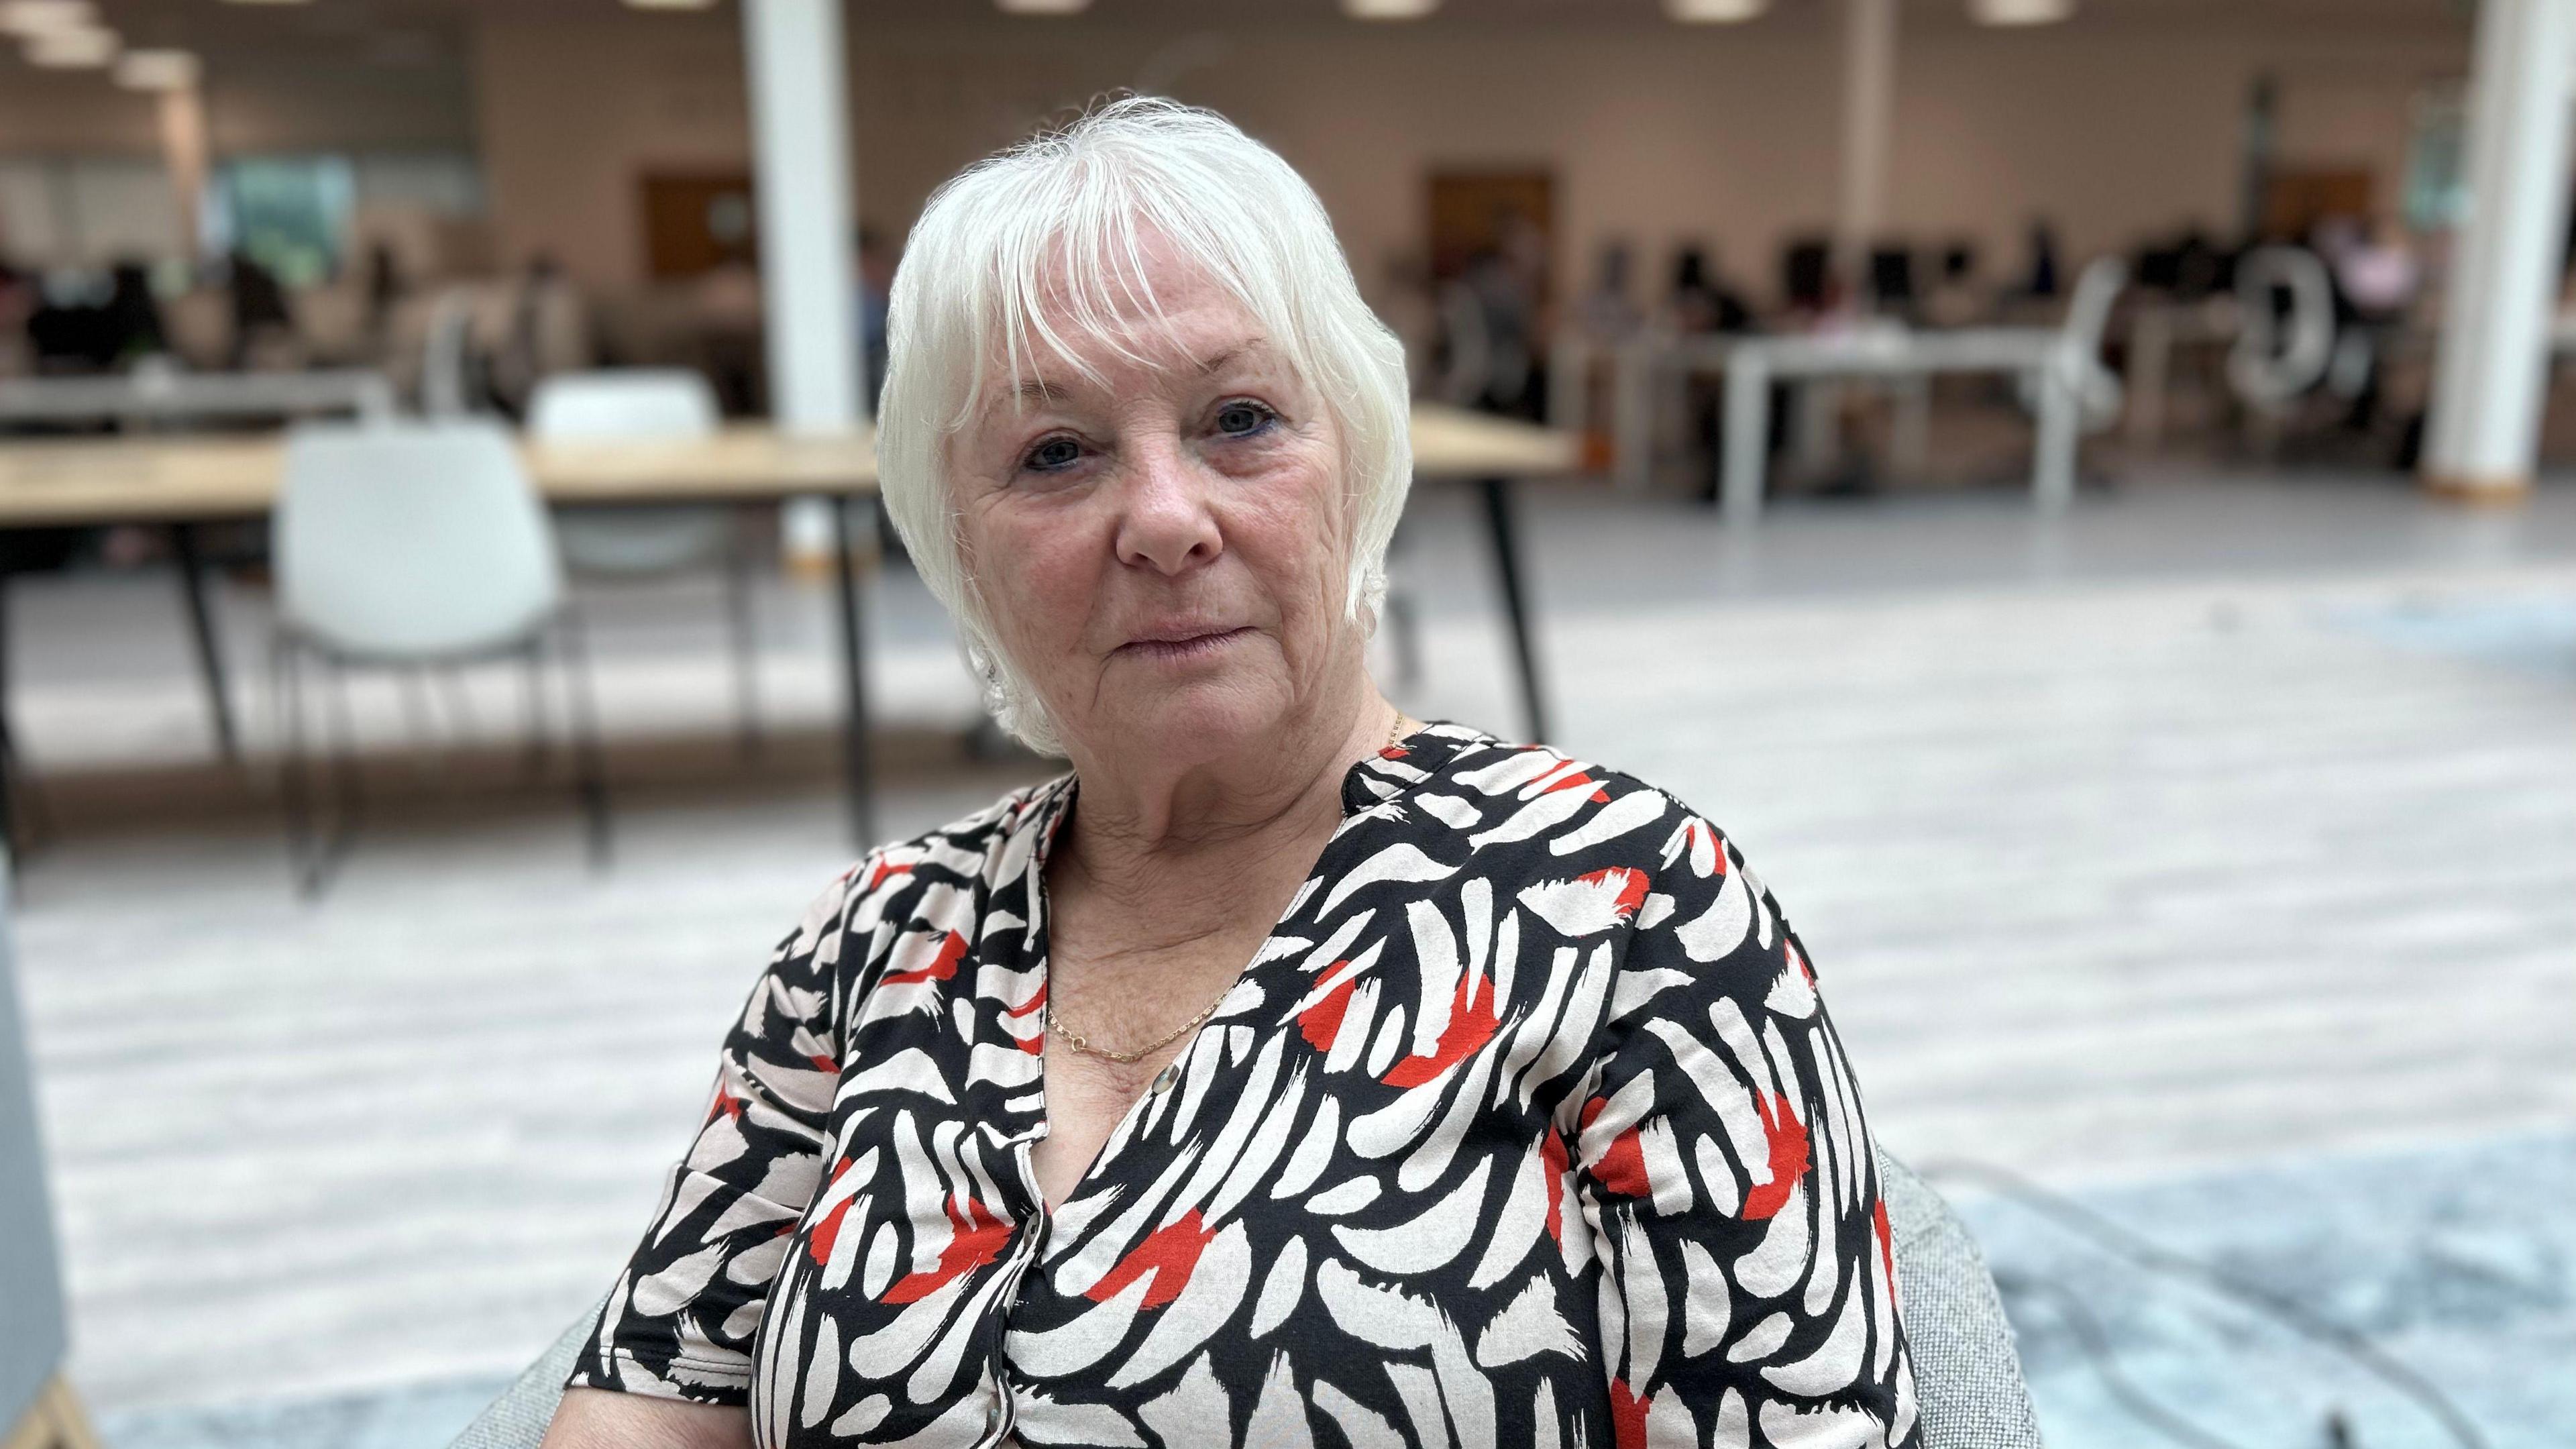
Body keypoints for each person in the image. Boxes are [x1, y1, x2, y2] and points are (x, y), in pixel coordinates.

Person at [542, 98, 1918, 1449]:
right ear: (959, 548)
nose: (1162, 518)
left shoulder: (1628, 905)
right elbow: (648, 1391)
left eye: (1241, 418)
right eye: (1056, 452)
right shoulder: (871, 943)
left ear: (1358, 463)